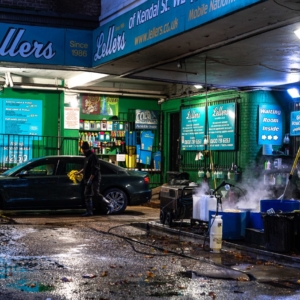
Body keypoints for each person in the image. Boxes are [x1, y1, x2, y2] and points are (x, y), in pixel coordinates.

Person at [76, 141, 114, 217]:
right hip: (87, 178)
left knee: (96, 194)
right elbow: (86, 167)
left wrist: (90, 179)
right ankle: (89, 212)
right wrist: (79, 172)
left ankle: (109, 204)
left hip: (94, 178)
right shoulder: (87, 157)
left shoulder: (93, 156)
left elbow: (95, 169)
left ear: (85, 149)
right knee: (87, 195)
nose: (82, 151)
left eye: (83, 149)